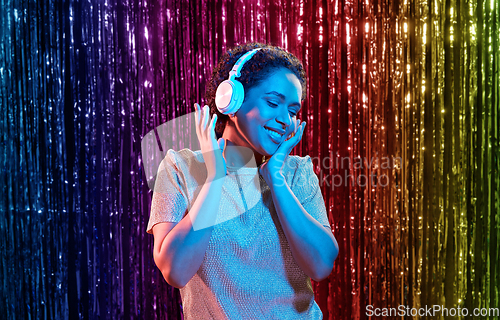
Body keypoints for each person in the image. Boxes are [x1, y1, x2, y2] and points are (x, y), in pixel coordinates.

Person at [146, 42, 339, 319]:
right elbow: (175, 271)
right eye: (273, 103)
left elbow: (321, 265)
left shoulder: (297, 172)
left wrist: (276, 178)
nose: (285, 120)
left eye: (293, 111)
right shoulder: (181, 168)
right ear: (232, 100)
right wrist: (215, 179)